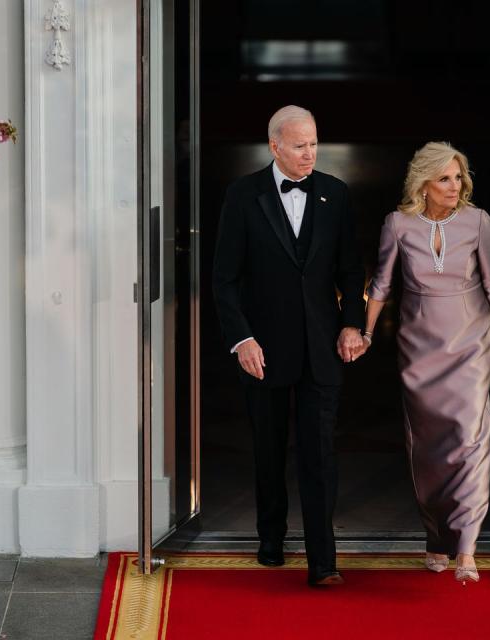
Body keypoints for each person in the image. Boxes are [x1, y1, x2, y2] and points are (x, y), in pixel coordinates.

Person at [211, 105, 366, 587]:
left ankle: (324, 561)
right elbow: (224, 279)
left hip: (322, 347)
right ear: (275, 145)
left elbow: (350, 269)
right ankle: (271, 538)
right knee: (269, 448)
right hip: (264, 348)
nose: (309, 154)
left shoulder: (335, 194)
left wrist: (351, 325)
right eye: (300, 145)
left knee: (319, 454)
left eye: (314, 143)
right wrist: (242, 339)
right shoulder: (242, 195)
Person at [357, 142, 490, 583]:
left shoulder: (478, 221)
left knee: (472, 439)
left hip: (471, 343)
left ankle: (466, 549)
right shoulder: (398, 224)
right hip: (419, 346)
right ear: (422, 183)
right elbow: (381, 285)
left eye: (458, 177)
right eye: (444, 178)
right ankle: (436, 537)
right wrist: (366, 332)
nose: (453, 186)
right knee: (426, 448)